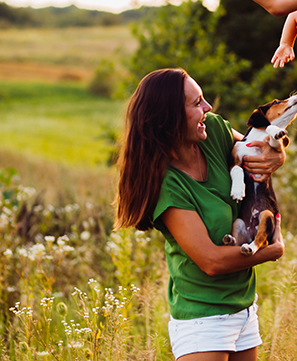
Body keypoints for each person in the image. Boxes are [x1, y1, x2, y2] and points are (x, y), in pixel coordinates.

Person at [114, 68, 286, 361]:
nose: (208, 108)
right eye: (197, 103)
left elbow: (258, 149)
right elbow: (211, 261)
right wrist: (274, 250)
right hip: (203, 318)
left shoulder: (214, 132)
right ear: (170, 118)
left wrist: (280, 153)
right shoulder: (168, 184)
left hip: (244, 307)